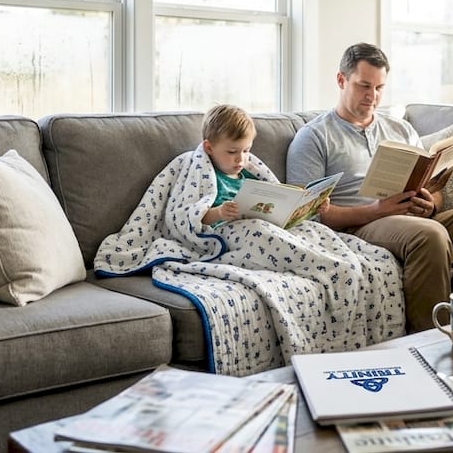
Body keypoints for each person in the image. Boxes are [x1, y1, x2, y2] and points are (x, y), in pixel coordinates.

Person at [93, 103, 405, 374]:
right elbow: (184, 214)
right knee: (261, 233)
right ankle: (330, 268)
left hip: (264, 225)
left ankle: (342, 263)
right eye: (232, 152)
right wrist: (218, 213)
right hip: (227, 236)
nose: (240, 158)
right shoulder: (198, 169)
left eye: (245, 150)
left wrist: (295, 208)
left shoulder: (248, 171)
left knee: (315, 232)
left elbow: (271, 197)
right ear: (209, 147)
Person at [287, 43, 453, 332]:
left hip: (416, 219)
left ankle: (447, 261)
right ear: (341, 80)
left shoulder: (400, 129)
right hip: (362, 227)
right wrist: (376, 210)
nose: (373, 97)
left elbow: (433, 189)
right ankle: (432, 340)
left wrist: (431, 202)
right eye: (364, 86)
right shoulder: (314, 137)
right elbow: (307, 215)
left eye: (380, 87)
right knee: (430, 234)